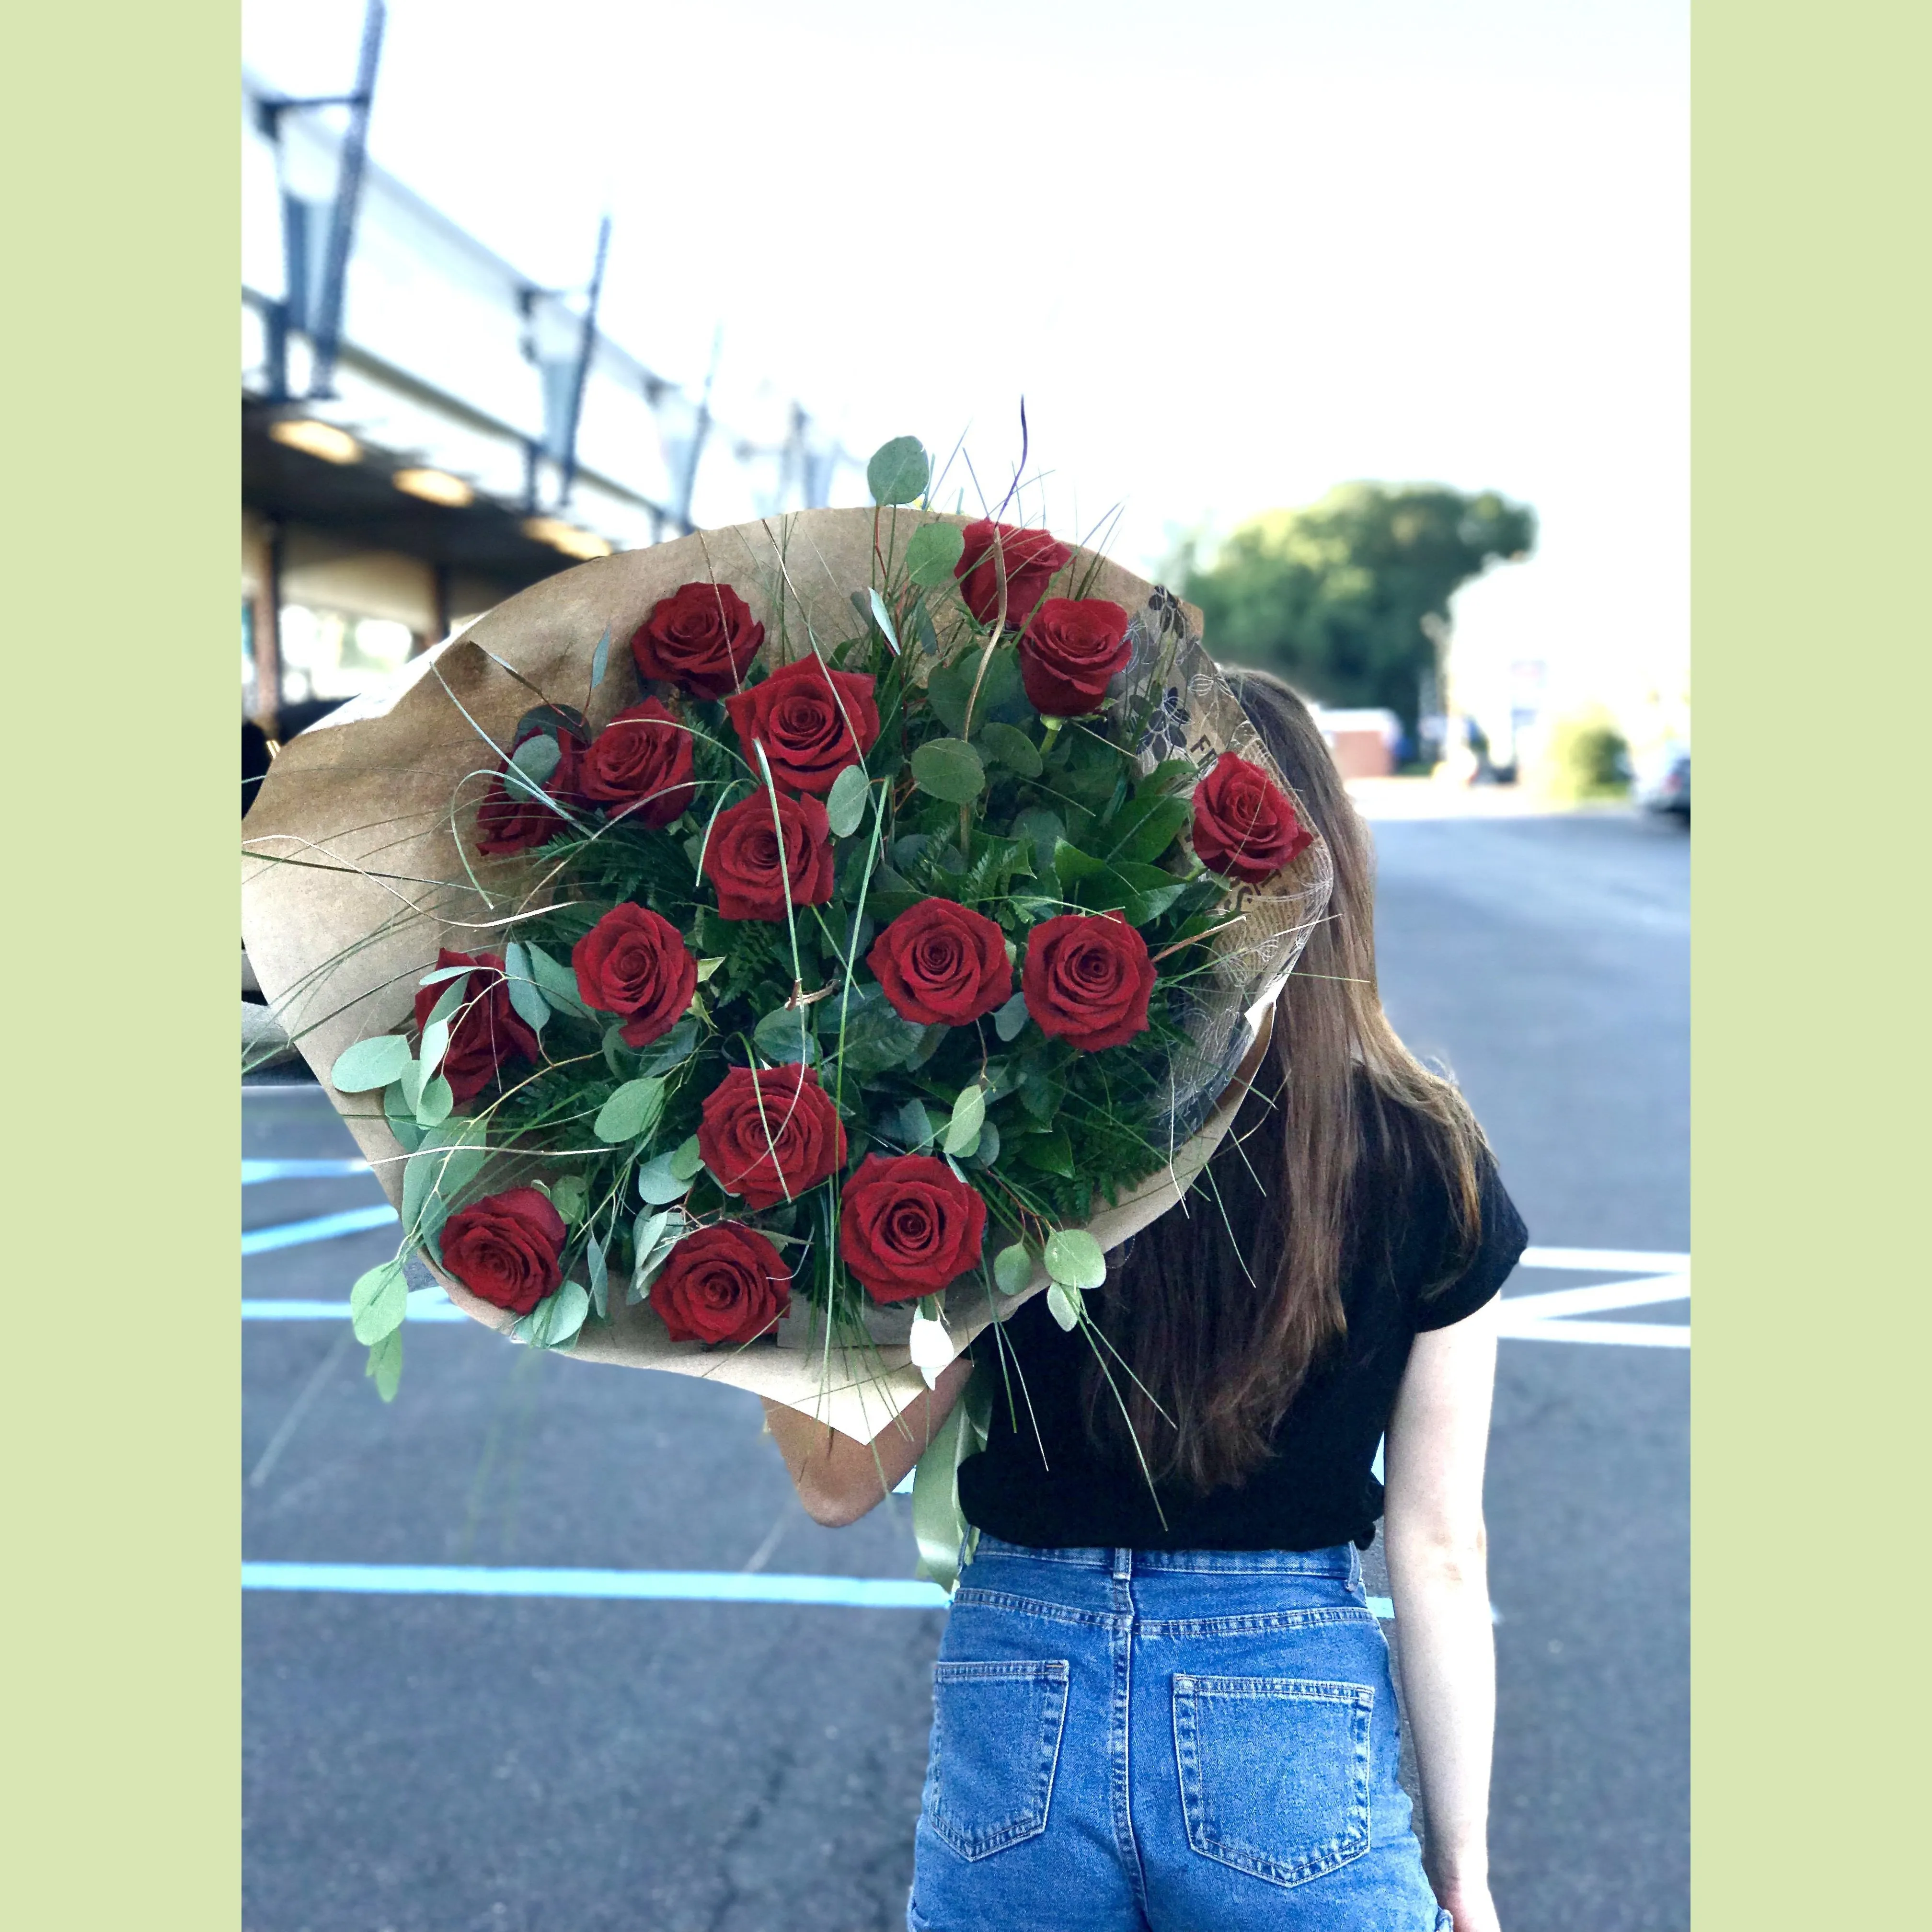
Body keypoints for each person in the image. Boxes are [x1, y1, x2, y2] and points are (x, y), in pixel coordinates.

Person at [762, 669, 1527, 1932]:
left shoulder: (1016, 1127)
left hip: (1023, 1680)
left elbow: (839, 1479)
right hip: (1285, 1696)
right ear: (1325, 868)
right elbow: (1442, 1549)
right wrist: (1468, 1876)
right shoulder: (1424, 1150)